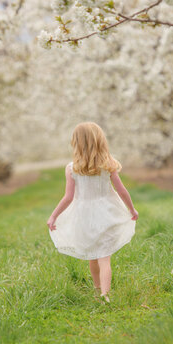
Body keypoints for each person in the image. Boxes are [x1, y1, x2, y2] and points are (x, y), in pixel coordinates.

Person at [47, 121, 138, 303]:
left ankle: (98, 291)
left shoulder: (72, 168)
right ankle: (105, 295)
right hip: (106, 213)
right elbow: (121, 190)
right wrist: (131, 208)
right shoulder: (108, 164)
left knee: (93, 256)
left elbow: (68, 197)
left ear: (76, 143)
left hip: (84, 217)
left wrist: (54, 215)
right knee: (105, 258)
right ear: (100, 141)